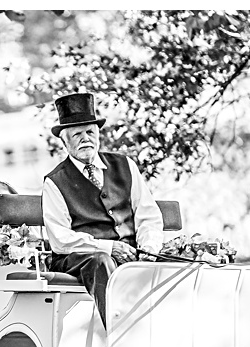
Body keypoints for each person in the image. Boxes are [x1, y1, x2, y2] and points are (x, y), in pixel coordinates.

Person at [41, 92, 164, 326]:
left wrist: (148, 250)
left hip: (131, 251)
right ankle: (122, 332)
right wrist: (108, 247)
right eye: (77, 134)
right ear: (64, 141)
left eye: (90, 132)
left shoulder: (124, 165)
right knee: (101, 262)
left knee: (180, 263)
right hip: (80, 258)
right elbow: (60, 240)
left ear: (98, 134)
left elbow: (148, 217)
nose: (85, 139)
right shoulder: (55, 181)